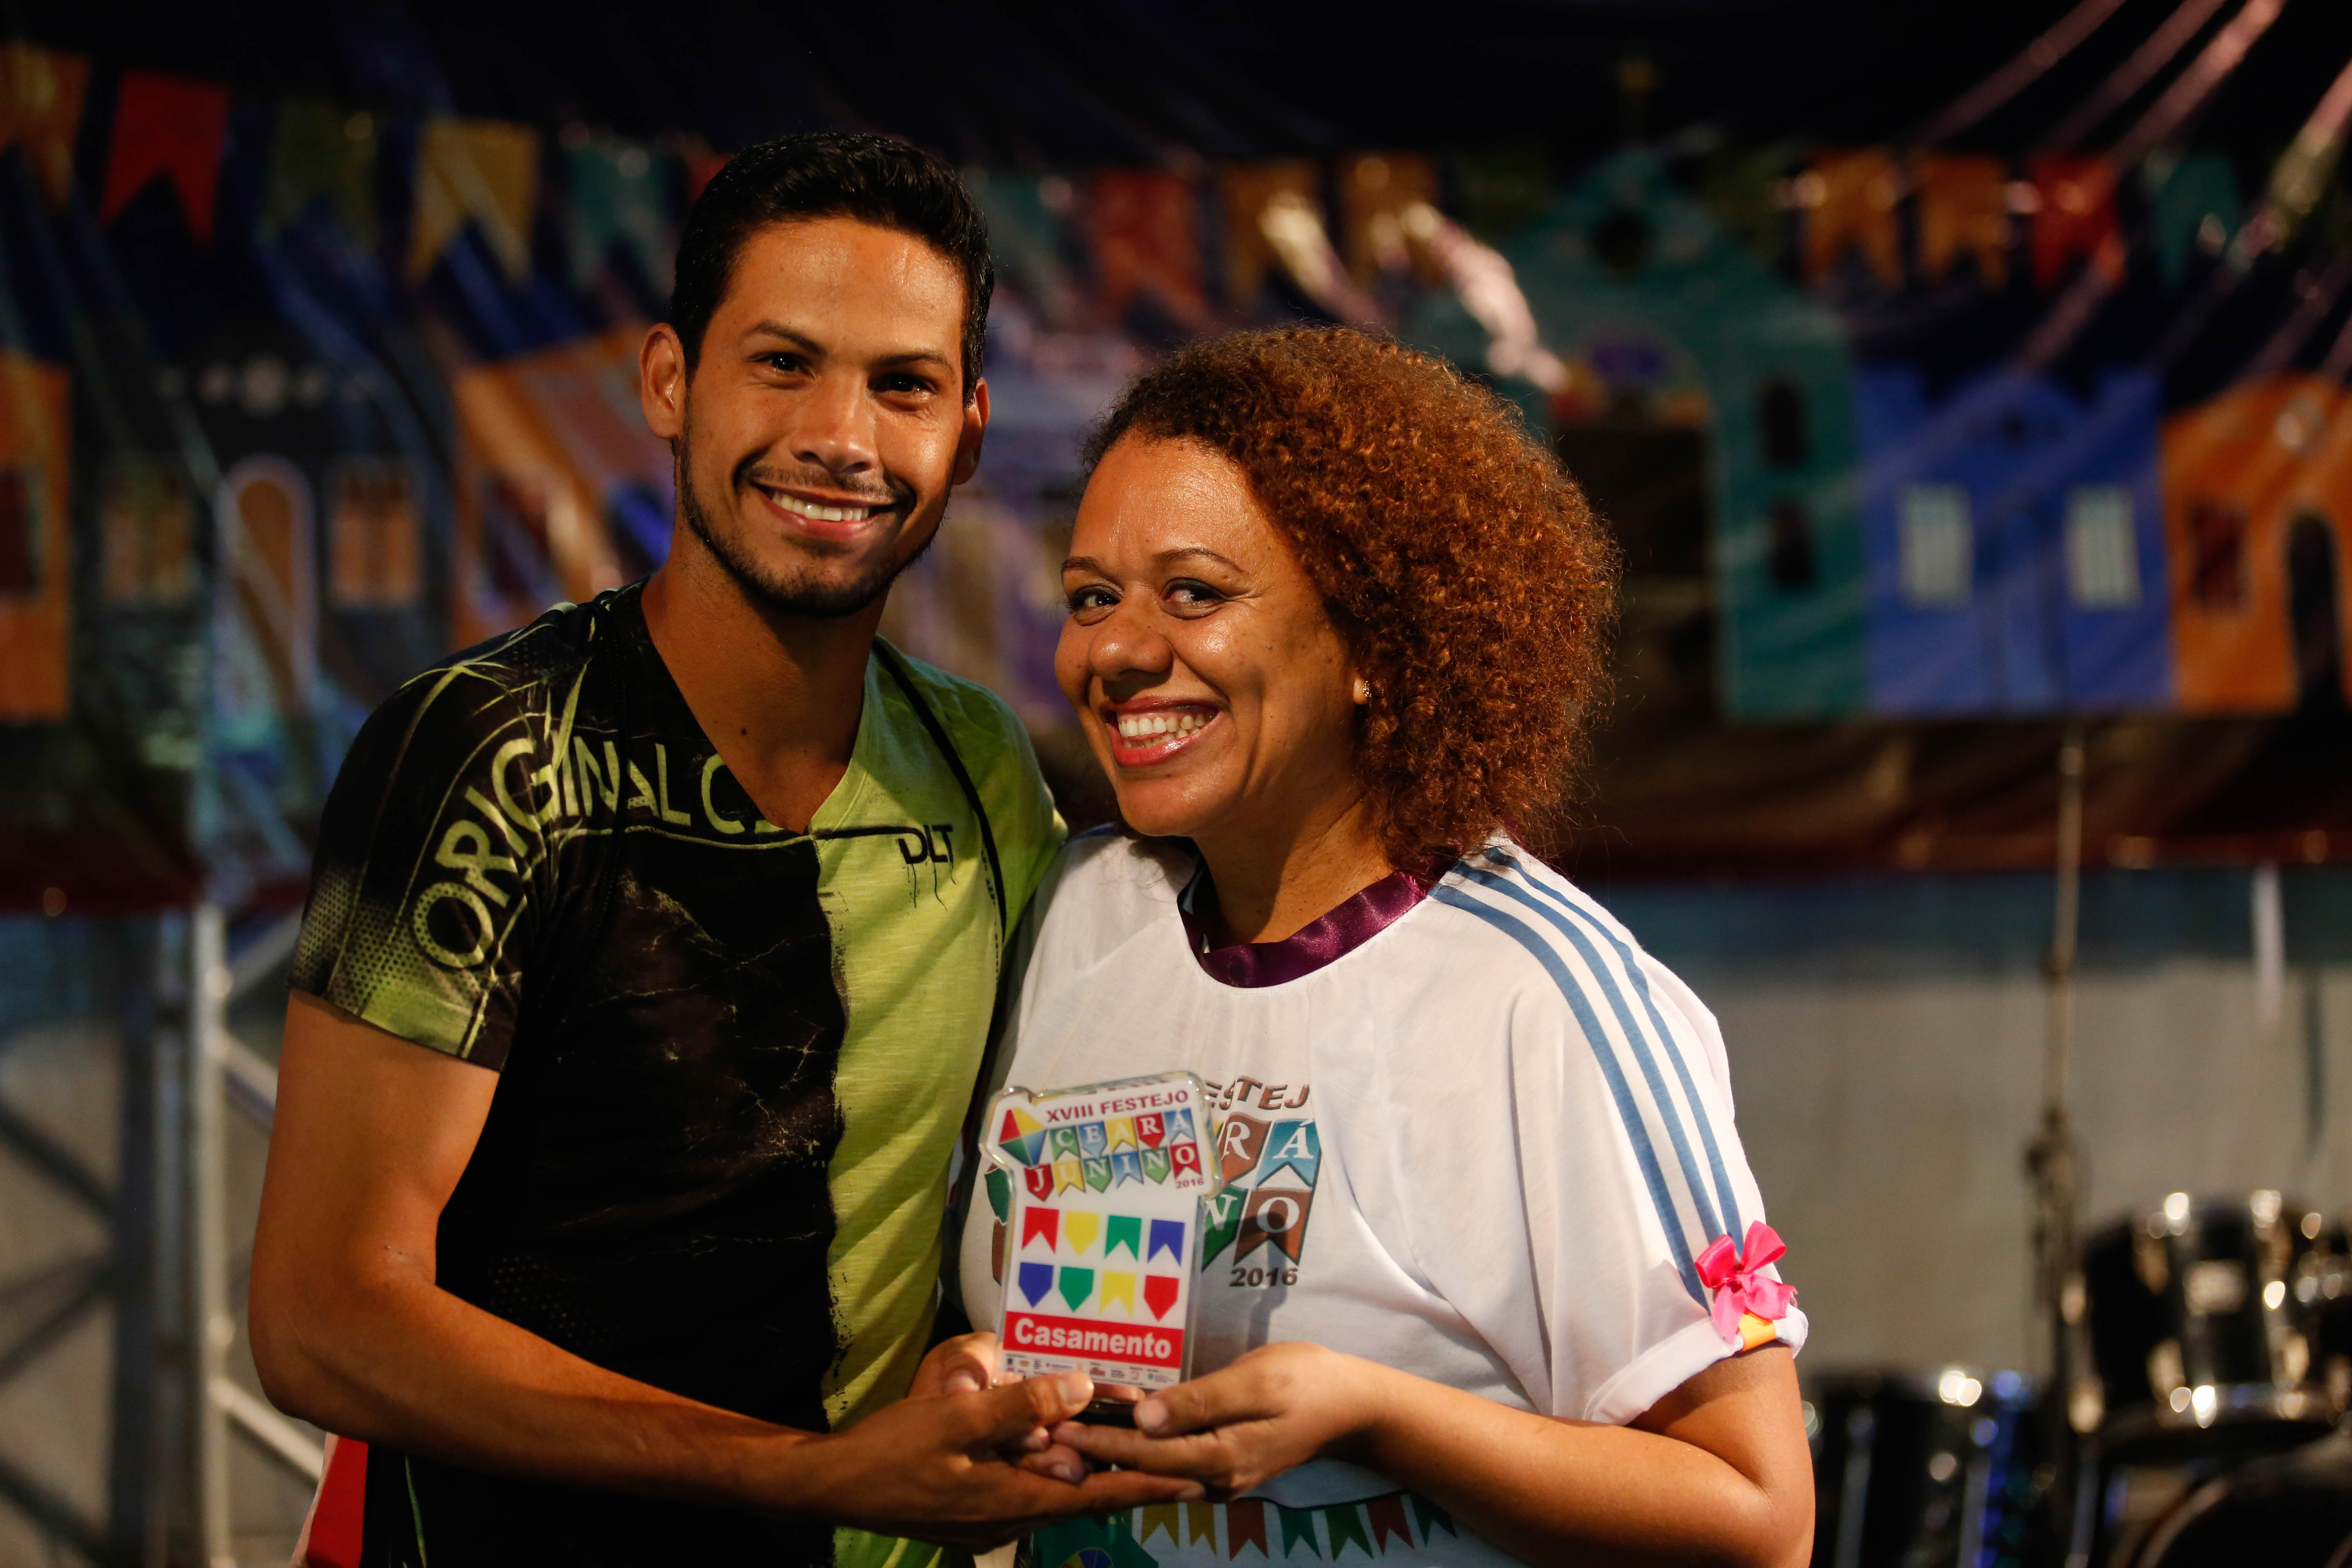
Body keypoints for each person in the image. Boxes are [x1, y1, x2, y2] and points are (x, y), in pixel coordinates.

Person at [249, 133, 1194, 1568]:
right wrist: (812, 1477)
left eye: (903, 385)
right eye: (784, 363)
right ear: (669, 383)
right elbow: (322, 1320)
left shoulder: (982, 769)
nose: (842, 436)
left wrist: (972, 1351)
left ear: (968, 435)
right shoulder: (484, 753)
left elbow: (1035, 1172)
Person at [950, 327, 1815, 1568]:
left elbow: (1760, 1517)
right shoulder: (1074, 915)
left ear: (1373, 643)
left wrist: (1379, 1414)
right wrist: (967, 1374)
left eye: (1194, 593)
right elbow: (1006, 1322)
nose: (1118, 651)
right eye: (1093, 597)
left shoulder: (1542, 1000)